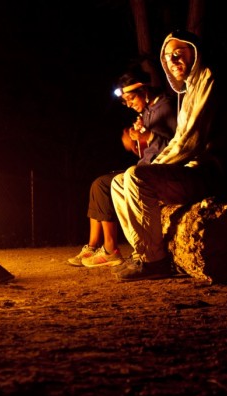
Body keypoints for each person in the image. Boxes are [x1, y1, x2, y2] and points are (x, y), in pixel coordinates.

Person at [110, 29, 227, 281]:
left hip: (209, 174)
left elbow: (188, 142)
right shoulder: (187, 91)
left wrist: (155, 165)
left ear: (194, 51)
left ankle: (154, 261)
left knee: (136, 176)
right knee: (118, 183)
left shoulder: (207, 80)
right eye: (168, 57)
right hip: (190, 172)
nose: (173, 60)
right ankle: (142, 252)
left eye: (179, 53)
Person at [67, 71, 177, 268]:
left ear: (144, 90)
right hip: (145, 167)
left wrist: (148, 136)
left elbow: (177, 145)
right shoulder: (147, 112)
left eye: (131, 98)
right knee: (99, 184)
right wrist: (135, 143)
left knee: (103, 184)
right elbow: (147, 151)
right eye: (125, 101)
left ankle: (111, 249)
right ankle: (93, 246)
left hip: (159, 172)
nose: (129, 104)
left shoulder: (167, 107)